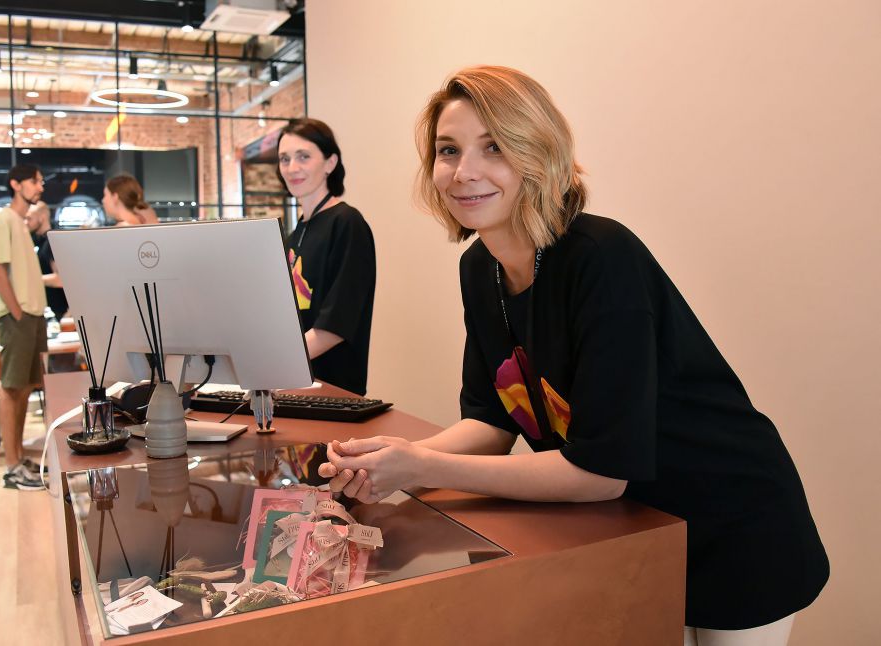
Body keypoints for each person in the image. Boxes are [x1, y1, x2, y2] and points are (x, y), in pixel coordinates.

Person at [319, 66, 828, 644]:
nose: (464, 172)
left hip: (733, 523)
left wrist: (422, 467)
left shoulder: (601, 257)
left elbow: (600, 473)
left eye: (495, 146)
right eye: (448, 150)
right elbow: (490, 421)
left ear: (539, 153)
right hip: (635, 527)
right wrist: (390, 458)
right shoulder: (478, 269)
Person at [277, 118, 376, 395]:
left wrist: (275, 364)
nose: (292, 168)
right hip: (291, 383)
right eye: (284, 159)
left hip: (332, 389)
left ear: (330, 162)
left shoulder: (347, 223)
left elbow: (337, 323)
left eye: (303, 156)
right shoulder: (295, 233)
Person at [0, 164, 48, 491]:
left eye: (40, 181)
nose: (40, 186)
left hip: (32, 315)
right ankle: (12, 466)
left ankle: (19, 457)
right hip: (19, 317)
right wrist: (17, 312)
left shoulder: (21, 224)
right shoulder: (4, 219)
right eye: (34, 181)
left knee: (24, 388)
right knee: (12, 389)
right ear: (15, 184)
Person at [25, 201, 68, 320]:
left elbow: (61, 279)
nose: (26, 222)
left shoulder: (52, 242)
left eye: (29, 218)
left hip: (60, 311)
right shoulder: (39, 242)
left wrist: (32, 280)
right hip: (49, 311)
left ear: (42, 217)